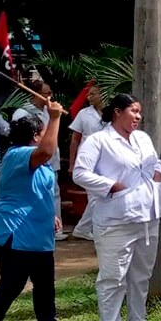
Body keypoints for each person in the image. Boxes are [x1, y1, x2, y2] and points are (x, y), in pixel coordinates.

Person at [72, 94, 161, 321]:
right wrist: (112, 185)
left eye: (139, 112)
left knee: (141, 275)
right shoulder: (99, 140)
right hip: (116, 219)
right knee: (113, 277)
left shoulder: (143, 138)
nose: (138, 116)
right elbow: (80, 173)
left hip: (147, 217)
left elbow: (155, 163)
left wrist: (158, 175)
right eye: (133, 111)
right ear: (117, 112)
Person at [0, 108, 64, 321]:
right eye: (44, 131)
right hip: (15, 232)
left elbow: (37, 191)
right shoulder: (18, 155)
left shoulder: (36, 160)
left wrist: (51, 215)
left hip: (37, 234)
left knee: (45, 284)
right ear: (36, 136)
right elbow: (46, 151)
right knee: (12, 284)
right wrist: (55, 117)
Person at [14, 79, 67, 241]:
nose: (50, 97)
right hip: (32, 161)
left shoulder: (47, 111)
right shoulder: (22, 113)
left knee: (54, 193)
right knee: (36, 194)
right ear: (35, 93)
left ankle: (56, 229)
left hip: (51, 160)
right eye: (47, 93)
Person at [68, 84, 107, 240]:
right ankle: (85, 228)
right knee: (95, 196)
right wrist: (71, 163)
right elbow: (75, 139)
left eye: (93, 94)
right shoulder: (84, 114)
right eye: (88, 95)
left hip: (107, 160)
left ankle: (83, 228)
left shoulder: (113, 113)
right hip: (88, 160)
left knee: (98, 196)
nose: (90, 97)